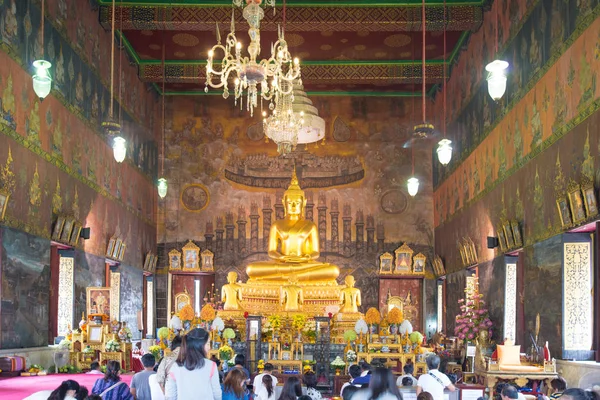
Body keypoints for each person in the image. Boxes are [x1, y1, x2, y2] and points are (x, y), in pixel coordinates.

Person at [165, 328, 222, 400]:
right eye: (207, 343)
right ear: (199, 345)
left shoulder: (174, 367)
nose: (209, 347)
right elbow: (217, 394)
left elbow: (170, 396)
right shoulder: (211, 366)